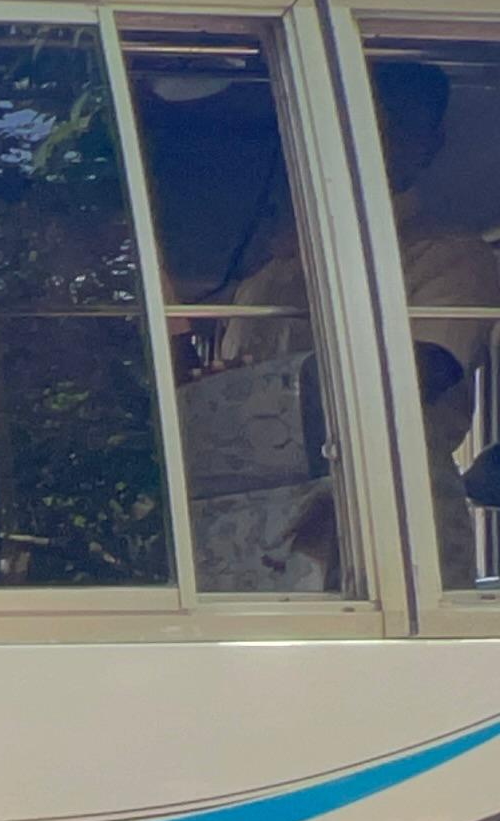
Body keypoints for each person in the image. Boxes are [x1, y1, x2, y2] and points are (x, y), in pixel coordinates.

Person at [214, 60, 500, 588]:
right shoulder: (264, 279)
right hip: (261, 534)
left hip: (393, 532)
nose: (378, 139)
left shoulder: (448, 256)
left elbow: (411, 379)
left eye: (400, 126)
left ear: (430, 145)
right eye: (363, 119)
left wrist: (257, 395)